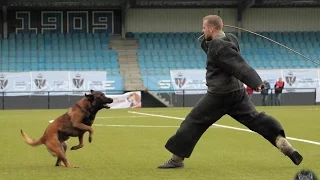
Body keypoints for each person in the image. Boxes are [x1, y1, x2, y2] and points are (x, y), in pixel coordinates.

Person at [157, 15, 302, 169]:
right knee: (255, 119)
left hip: (219, 95)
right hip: (237, 93)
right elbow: (209, 45)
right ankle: (282, 142)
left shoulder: (219, 47)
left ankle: (177, 159)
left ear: (211, 29)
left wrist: (256, 83)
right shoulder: (229, 39)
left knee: (193, 122)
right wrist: (217, 30)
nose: (202, 30)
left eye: (204, 27)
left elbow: (240, 66)